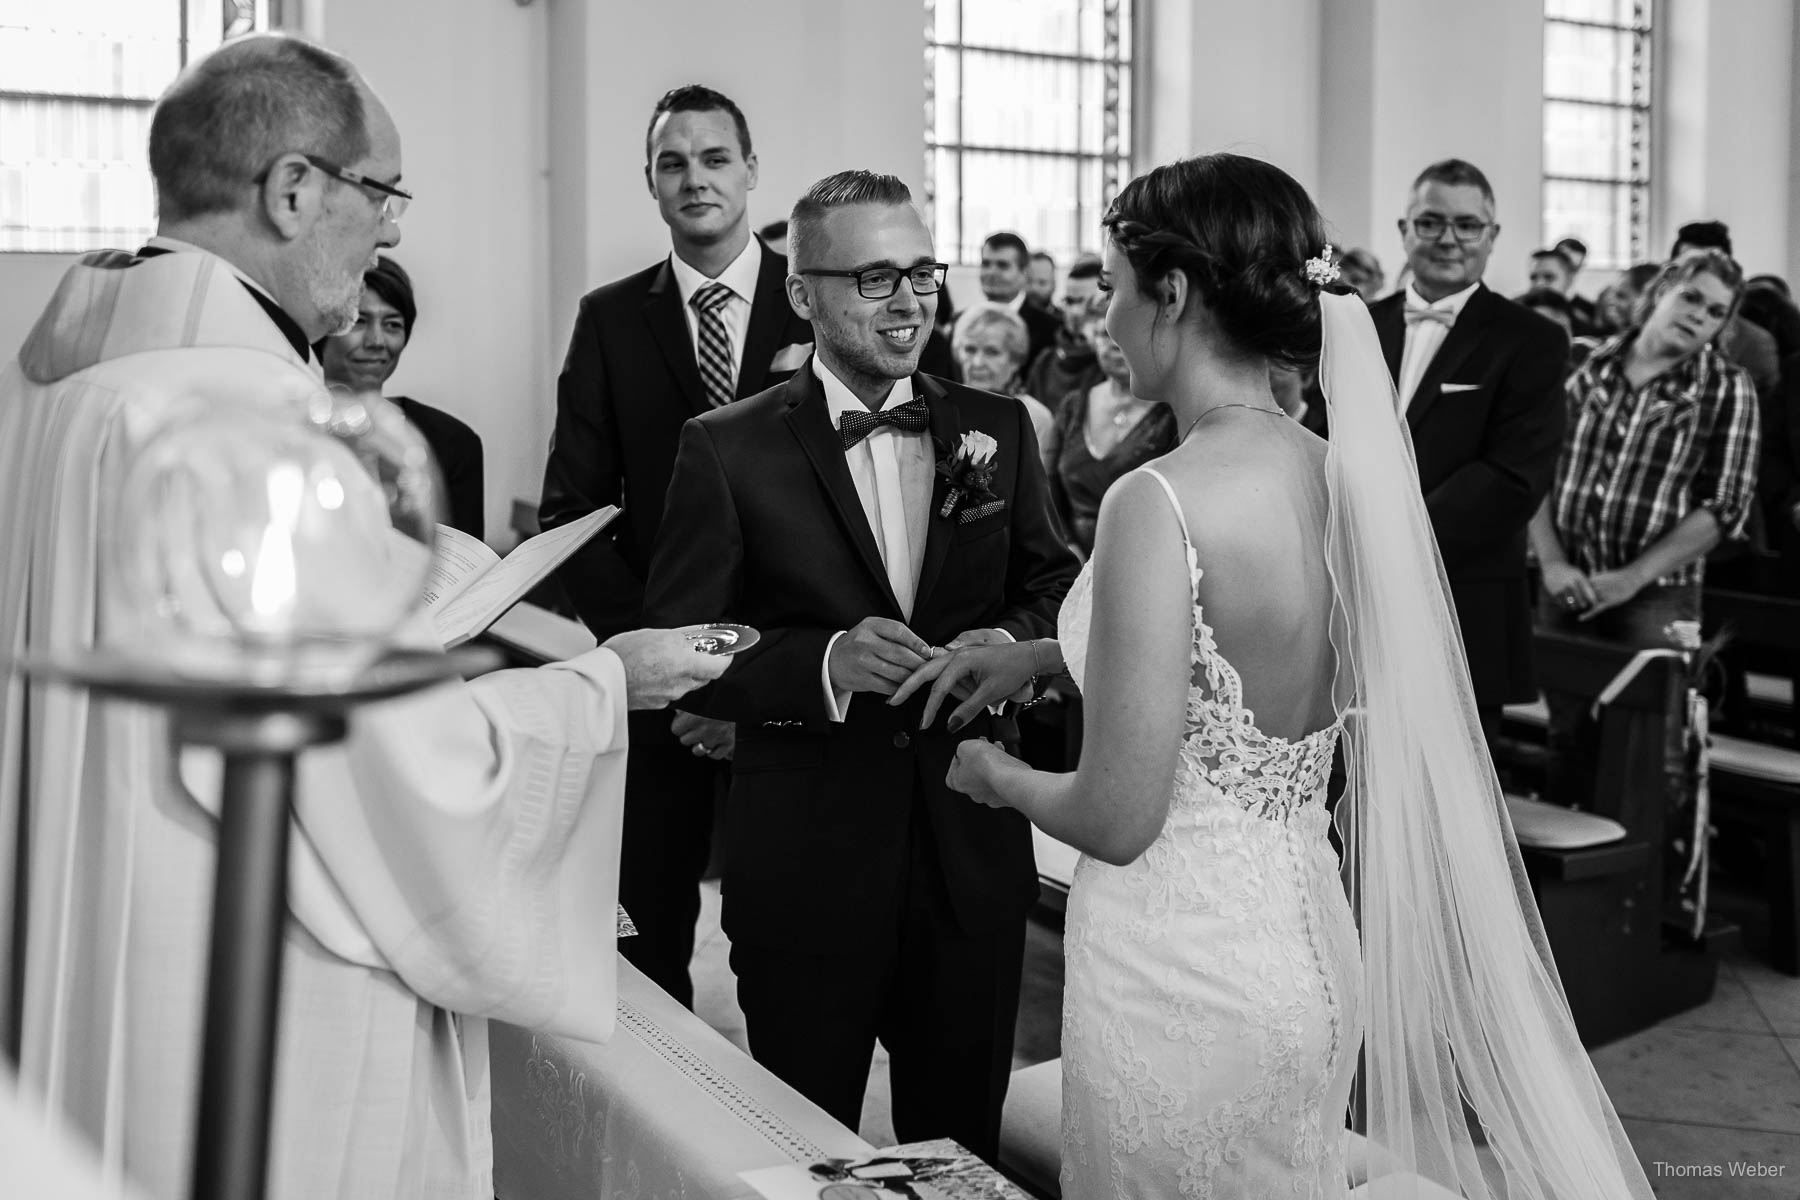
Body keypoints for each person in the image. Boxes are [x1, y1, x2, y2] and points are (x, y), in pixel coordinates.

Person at [0, 33, 727, 1200]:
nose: (392, 231)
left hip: (87, 948)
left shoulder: (58, 399)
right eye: (383, 193)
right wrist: (602, 687)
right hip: (251, 987)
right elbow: (398, 778)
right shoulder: (271, 429)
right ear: (294, 190)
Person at [894, 152, 1653, 1199]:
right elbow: (1239, 679)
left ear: (1172, 295)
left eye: (1115, 288)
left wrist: (994, 777)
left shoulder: (1156, 501)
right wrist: (1046, 655)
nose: (1103, 320)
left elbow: (1118, 816)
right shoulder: (1337, 478)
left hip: (1177, 973)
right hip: (1306, 948)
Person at [642, 170, 1079, 1159]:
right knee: (808, 1150)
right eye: (875, 277)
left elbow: (1056, 584)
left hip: (971, 851)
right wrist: (825, 661)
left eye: (922, 273)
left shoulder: (995, 429)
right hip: (807, 858)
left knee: (960, 1148)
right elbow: (680, 646)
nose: (911, 301)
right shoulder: (726, 446)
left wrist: (1010, 648)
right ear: (803, 293)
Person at [539, 84, 812, 1008]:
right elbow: (571, 510)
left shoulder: (813, 306)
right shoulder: (612, 319)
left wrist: (757, 672)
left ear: (750, 170)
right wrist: (662, 654)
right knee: (650, 929)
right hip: (657, 680)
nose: (694, 178)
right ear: (651, 183)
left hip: (791, 673)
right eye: (672, 162)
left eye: (713, 158)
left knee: (791, 940)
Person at [1530, 249, 1760, 806]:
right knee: (1566, 740)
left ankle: (1647, 888)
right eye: (1692, 298)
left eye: (1715, 312)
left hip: (1655, 596)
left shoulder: (1726, 387)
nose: (1699, 316)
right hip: (1567, 583)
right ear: (1661, 291)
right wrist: (1554, 560)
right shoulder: (1587, 366)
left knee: (1652, 755)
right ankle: (1567, 887)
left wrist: (1631, 579)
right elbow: (1536, 466)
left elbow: (1725, 507)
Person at [1365, 158, 1568, 741]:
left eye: (1466, 225)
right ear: (1404, 229)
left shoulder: (1531, 339)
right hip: (1349, 598)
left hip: (1463, 601)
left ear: (1492, 237)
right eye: (1429, 223)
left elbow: (1514, 477)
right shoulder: (1357, 325)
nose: (1447, 239)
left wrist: (1393, 544)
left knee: (1452, 815)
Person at [318, 255, 485, 537]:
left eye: (393, 324)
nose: (377, 342)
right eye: (359, 321)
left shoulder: (453, 442)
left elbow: (470, 563)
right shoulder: (291, 432)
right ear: (323, 331)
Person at [1041, 294, 1176, 557]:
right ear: (1091, 337)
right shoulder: (1072, 406)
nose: (1116, 344)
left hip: (1150, 555)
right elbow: (1048, 487)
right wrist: (1067, 547)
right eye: (1105, 333)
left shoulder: (1170, 411)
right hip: (1073, 559)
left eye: (1127, 333)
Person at [950, 305, 1053, 450]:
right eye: (970, 350)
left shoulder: (1035, 419)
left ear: (1015, 360)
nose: (977, 363)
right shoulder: (941, 409)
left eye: (991, 352)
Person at [1022, 253, 1104, 409]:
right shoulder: (1045, 363)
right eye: (1070, 301)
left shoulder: (1114, 361)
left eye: (1088, 303)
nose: (1075, 312)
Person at [978, 231, 1059, 364]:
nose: (991, 272)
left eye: (1002, 265)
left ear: (1024, 272)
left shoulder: (1050, 329)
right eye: (986, 264)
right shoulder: (963, 322)